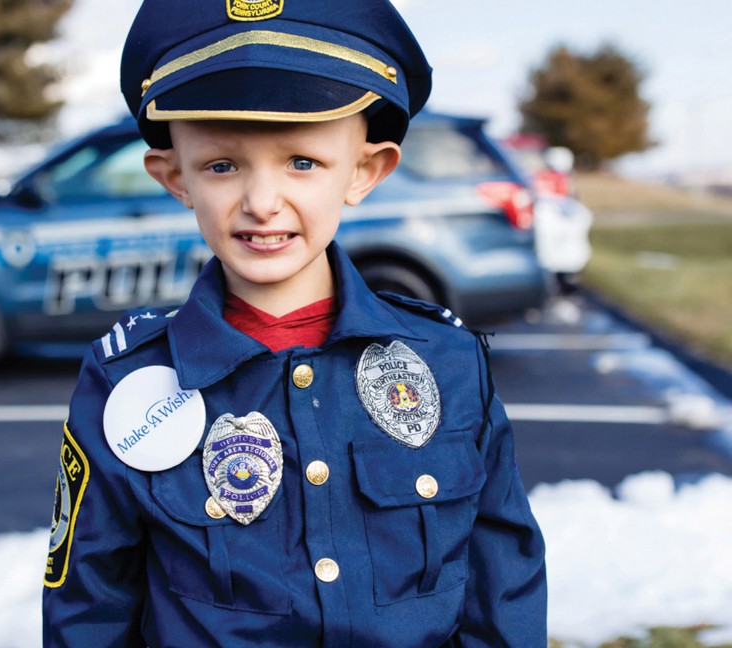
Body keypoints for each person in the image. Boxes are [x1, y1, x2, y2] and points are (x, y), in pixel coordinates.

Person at [42, 0, 547, 645]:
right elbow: (88, 606)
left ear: (365, 170)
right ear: (174, 177)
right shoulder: (129, 381)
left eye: (302, 162)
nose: (261, 202)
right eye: (222, 165)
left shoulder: (447, 361)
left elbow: (503, 589)